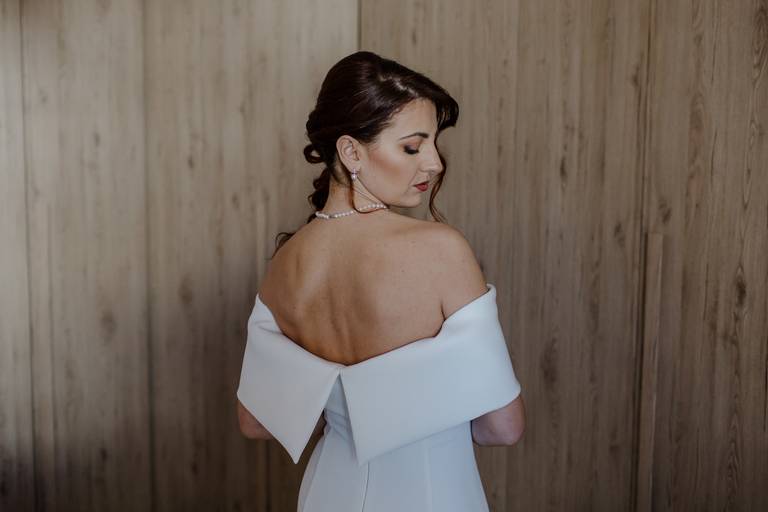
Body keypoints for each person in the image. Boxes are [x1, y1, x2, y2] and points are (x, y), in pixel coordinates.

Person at [236, 50, 525, 512]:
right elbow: (502, 428)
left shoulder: (284, 265)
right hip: (429, 495)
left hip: (328, 494)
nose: (434, 163)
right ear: (351, 151)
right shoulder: (441, 250)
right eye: (412, 147)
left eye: (434, 144)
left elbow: (256, 421)